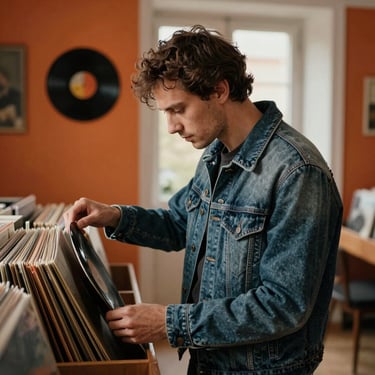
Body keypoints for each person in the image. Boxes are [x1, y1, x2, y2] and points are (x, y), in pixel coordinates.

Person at [64, 25, 343, 375]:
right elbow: (181, 223)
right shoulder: (215, 154)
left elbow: (284, 305)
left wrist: (170, 323)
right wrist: (115, 216)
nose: (171, 127)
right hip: (209, 358)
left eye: (178, 109)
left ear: (219, 90)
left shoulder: (298, 172)